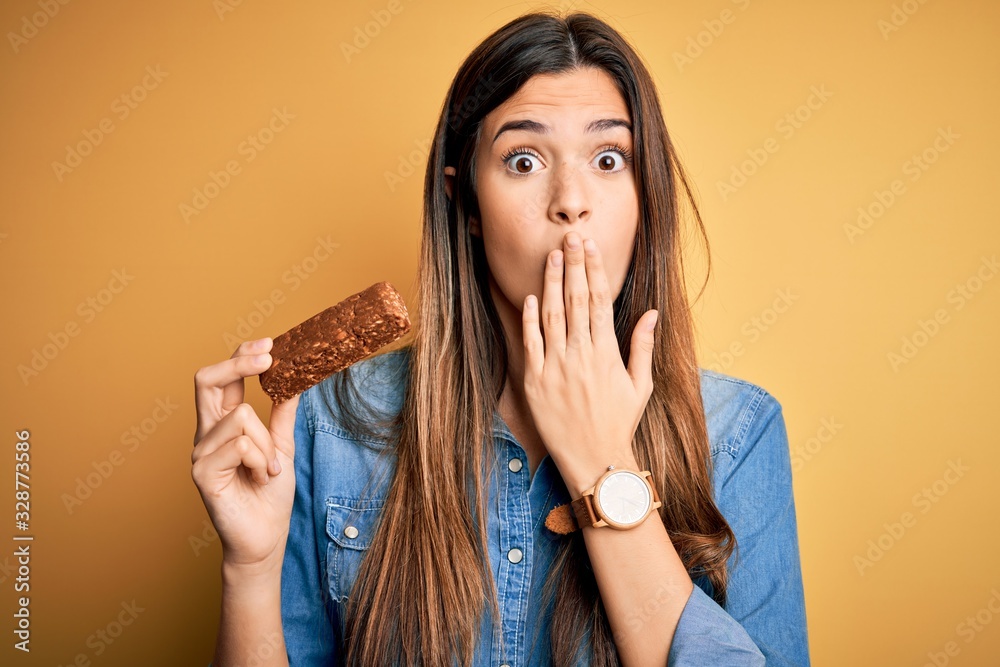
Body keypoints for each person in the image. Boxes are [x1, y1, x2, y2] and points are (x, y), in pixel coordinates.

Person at [191, 10, 810, 667]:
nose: (571, 200)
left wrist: (601, 462)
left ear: (645, 194)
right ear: (468, 206)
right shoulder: (335, 423)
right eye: (523, 159)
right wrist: (249, 567)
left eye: (608, 158)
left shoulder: (739, 432)